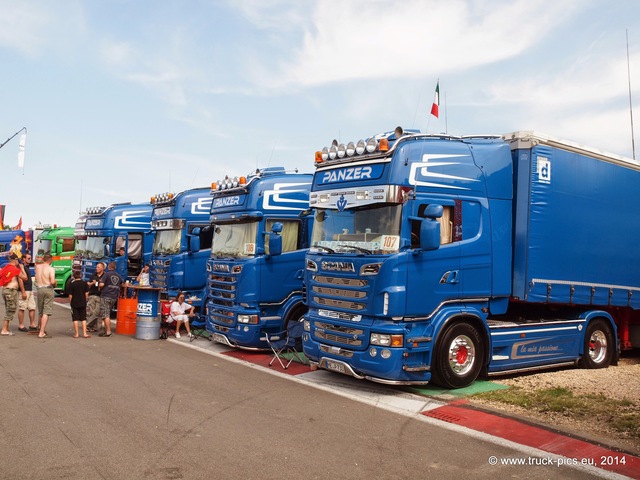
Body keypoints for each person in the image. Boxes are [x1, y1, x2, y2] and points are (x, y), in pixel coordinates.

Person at [1, 253, 28, 336]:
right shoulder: (14, 269)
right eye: (18, 260)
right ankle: (4, 330)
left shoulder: (5, 268)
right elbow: (25, 278)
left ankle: (7, 328)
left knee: (8, 308)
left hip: (5, 290)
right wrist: (22, 268)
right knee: (10, 310)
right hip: (11, 291)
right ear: (15, 260)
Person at [35, 253, 57, 338]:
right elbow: (52, 281)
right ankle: (42, 332)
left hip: (40, 288)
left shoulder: (38, 267)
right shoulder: (51, 269)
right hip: (48, 288)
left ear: (43, 259)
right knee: (46, 311)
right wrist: (55, 283)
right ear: (50, 260)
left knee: (41, 310)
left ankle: (39, 328)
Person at [98, 261, 122, 337]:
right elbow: (122, 284)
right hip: (113, 297)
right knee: (106, 313)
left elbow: (102, 284)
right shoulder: (118, 276)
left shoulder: (106, 274)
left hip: (106, 296)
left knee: (105, 315)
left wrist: (99, 284)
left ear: (108, 267)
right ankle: (103, 328)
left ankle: (108, 331)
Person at [17, 252, 37, 332]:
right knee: (22, 308)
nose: (30, 260)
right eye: (28, 258)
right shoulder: (21, 267)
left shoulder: (27, 267)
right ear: (23, 259)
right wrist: (23, 291)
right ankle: (21, 325)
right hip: (24, 290)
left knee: (32, 307)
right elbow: (20, 279)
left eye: (30, 258)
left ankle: (32, 324)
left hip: (30, 289)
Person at [67, 270, 90, 338]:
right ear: (81, 276)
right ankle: (85, 333)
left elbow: (70, 295)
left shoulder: (72, 284)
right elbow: (86, 293)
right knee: (83, 318)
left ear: (74, 276)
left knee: (75, 318)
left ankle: (76, 334)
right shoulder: (84, 283)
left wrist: (71, 302)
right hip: (82, 302)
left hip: (74, 302)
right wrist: (85, 300)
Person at [86, 262, 105, 333]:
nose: (97, 268)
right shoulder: (93, 275)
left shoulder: (105, 275)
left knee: (96, 312)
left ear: (103, 268)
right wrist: (92, 283)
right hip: (92, 295)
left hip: (100, 296)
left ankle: (87, 325)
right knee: (91, 312)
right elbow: (88, 284)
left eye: (98, 267)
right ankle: (94, 327)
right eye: (96, 267)